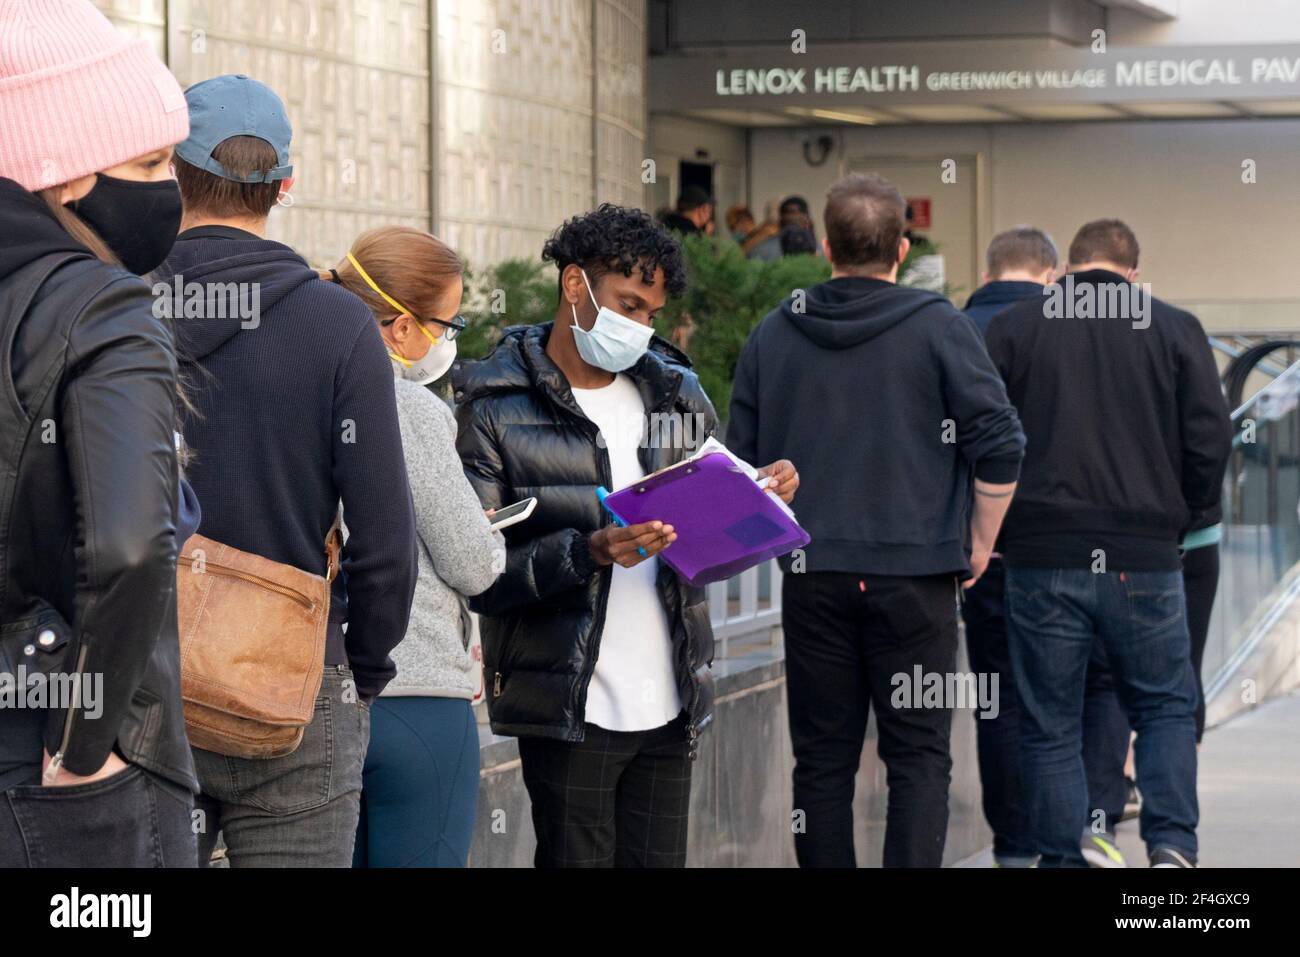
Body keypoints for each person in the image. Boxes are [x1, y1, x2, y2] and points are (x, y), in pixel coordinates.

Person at [453, 203, 797, 868]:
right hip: (569, 702)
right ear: (574, 286)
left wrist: (759, 491)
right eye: (628, 304)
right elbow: (482, 574)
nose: (640, 326)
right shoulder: (494, 405)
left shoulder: (674, 392)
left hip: (670, 698)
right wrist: (588, 551)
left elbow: (710, 500)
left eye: (650, 313)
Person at [728, 172, 1025, 868]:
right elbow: (1001, 442)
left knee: (822, 761)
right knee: (919, 756)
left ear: (826, 245)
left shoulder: (775, 330)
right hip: (917, 576)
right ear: (903, 245)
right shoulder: (939, 326)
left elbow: (738, 468)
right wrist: (978, 544)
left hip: (813, 576)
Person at [160, 74, 417, 867]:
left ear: (170, 173)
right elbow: (384, 543)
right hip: (298, 687)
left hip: (147, 689)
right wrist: (359, 667)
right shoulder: (340, 324)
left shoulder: (119, 307)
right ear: (284, 186)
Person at [0, 0, 198, 867]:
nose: (171, 189)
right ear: (68, 172)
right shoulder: (104, 306)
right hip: (74, 766)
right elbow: (128, 548)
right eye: (152, 160)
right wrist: (85, 741)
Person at [984, 219, 1232, 868]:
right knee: (1164, 705)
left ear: (1066, 271)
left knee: (1048, 722)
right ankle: (1172, 841)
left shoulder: (1013, 328)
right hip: (1145, 555)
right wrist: (1183, 518)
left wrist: (997, 530)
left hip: (1040, 555)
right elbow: (1210, 441)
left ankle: (1063, 858)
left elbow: (985, 438)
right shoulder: (1176, 328)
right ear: (1133, 273)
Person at [323, 227, 504, 868]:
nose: (446, 343)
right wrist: (488, 534)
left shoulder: (307, 386)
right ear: (401, 328)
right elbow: (471, 563)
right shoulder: (410, 408)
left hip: (319, 699)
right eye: (444, 325)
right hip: (418, 693)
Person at [958, 226, 1059, 868]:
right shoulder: (1072, 332)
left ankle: (1014, 845)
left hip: (978, 553)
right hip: (1062, 547)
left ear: (990, 269)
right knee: (1058, 697)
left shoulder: (952, 327)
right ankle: (1064, 832)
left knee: (996, 699)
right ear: (1049, 275)